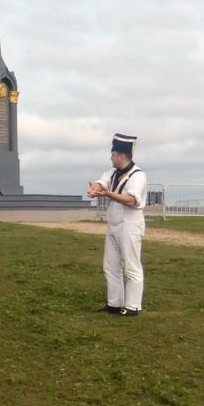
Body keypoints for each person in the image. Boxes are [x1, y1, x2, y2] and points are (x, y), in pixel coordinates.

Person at [87, 133, 146, 317]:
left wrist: (107, 194)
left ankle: (133, 306)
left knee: (131, 265)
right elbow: (100, 182)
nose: (110, 158)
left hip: (130, 224)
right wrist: (95, 189)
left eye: (113, 154)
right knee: (111, 265)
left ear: (120, 155)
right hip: (114, 224)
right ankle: (114, 303)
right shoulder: (112, 173)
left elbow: (131, 200)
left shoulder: (138, 176)